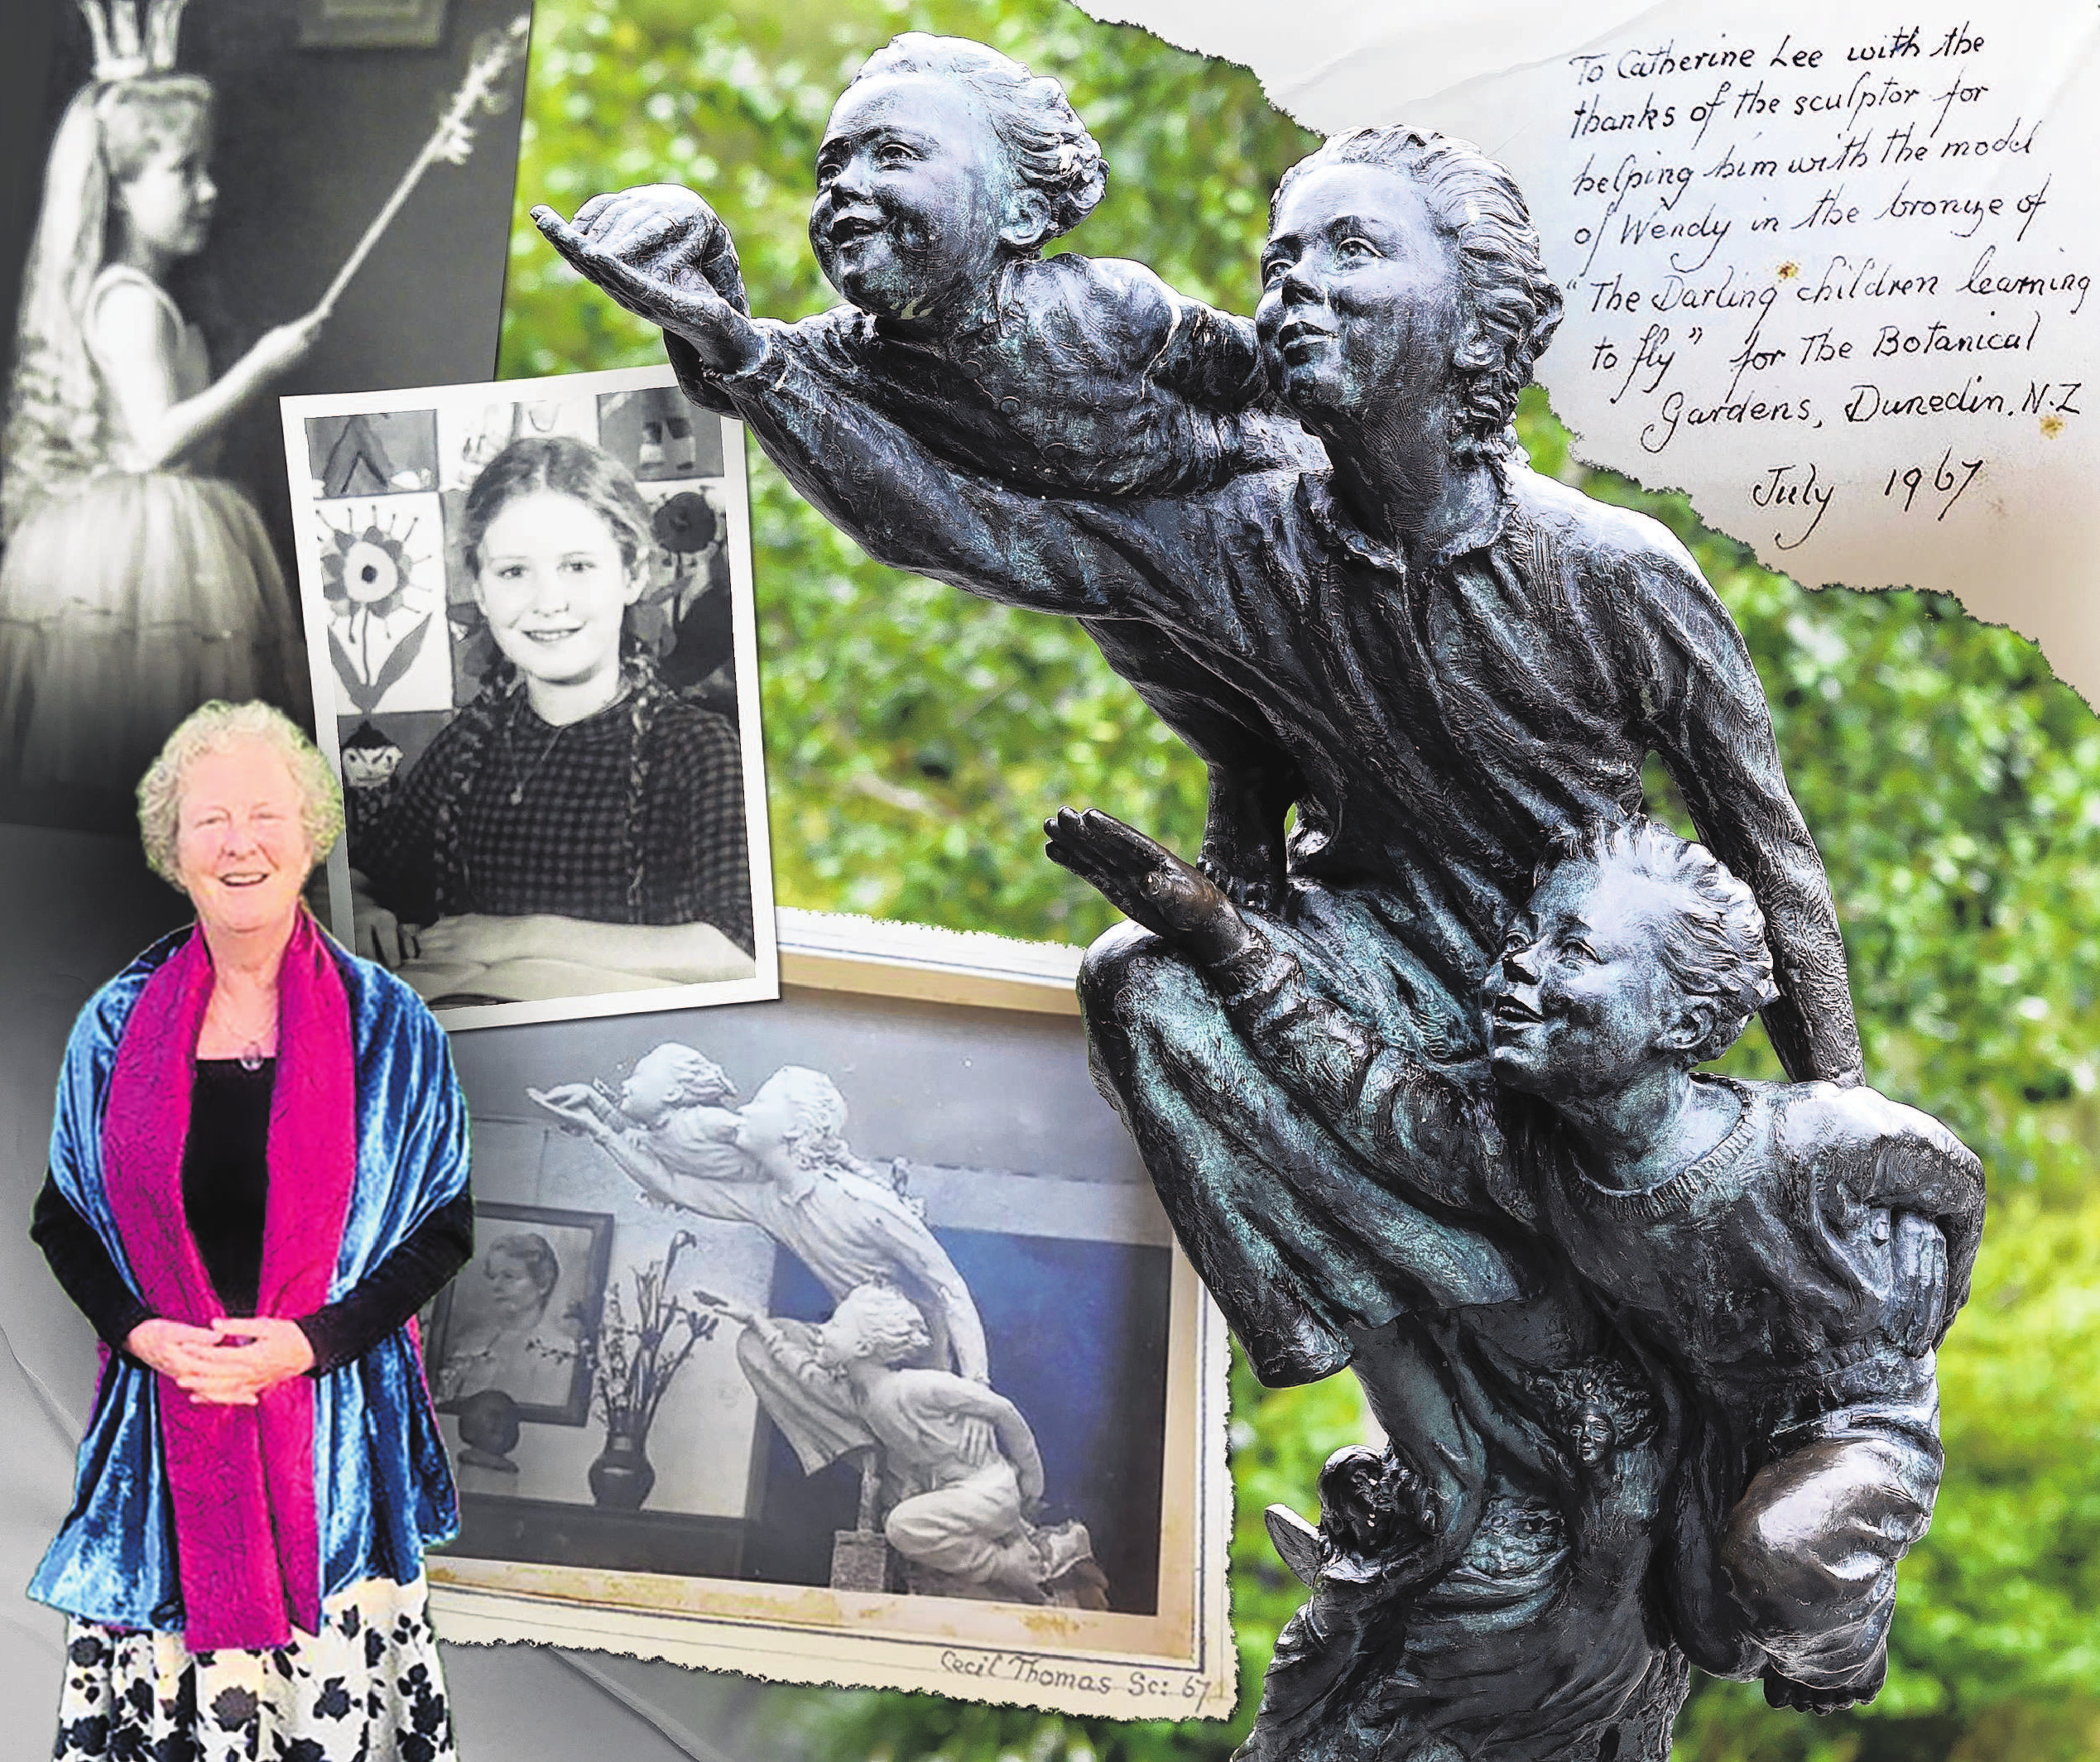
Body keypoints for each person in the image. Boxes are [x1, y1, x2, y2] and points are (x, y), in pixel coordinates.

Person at [536, 119, 1862, 1369]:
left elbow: (1767, 850)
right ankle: (1452, 1360)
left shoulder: (1611, 570)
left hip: (1575, 988)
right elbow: (963, 528)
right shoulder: (1241, 536)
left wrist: (1836, 1118)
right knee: (1141, 983)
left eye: (1355, 250)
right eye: (1280, 259)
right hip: (1370, 952)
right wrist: (741, 351)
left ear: (1476, 324)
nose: (1296, 285)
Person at [1045, 806, 1978, 1712]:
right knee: (1709, 1628)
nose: (1516, 971)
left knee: (1779, 1571)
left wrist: (1913, 1316)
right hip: (1705, 1414)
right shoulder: (1526, 1157)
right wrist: (1218, 935)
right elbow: (1366, 1089)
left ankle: (1847, 1649)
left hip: (1852, 1420)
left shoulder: (1813, 1141)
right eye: (1523, 940)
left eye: (1572, 952)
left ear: (1684, 1023)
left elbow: (1954, 1184)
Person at [27, 699, 474, 1761]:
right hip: (163, 1435)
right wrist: (144, 1332)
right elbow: (64, 1218)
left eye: (264, 814)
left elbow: (442, 1227)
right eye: (209, 819)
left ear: (312, 834)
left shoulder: (391, 1026)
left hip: (330, 1440)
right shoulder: (115, 1020)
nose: (239, 843)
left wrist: (309, 1344)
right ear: (171, 848)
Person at [0, 13, 320, 805]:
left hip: (170, 536)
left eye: (205, 168)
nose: (208, 190)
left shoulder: (152, 300)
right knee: (135, 734)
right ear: (119, 192)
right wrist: (263, 366)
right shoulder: (129, 305)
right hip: (136, 550)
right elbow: (151, 446)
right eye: (184, 171)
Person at [350, 434, 757, 999]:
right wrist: (361, 912)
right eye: (514, 572)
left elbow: (741, 950)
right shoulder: (472, 740)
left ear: (632, 573)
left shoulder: (696, 747)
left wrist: (523, 936)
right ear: (480, 590)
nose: (548, 601)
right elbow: (360, 873)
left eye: (577, 566)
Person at [531, 1054, 989, 1478]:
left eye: (761, 1102)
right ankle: (871, 1454)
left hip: (920, 1361)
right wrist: (602, 1124)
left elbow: (950, 1290)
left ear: (793, 1130)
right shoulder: (772, 1201)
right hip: (858, 1355)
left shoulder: (863, 1203)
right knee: (758, 1346)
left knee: (954, 1479)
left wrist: (977, 1392)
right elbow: (671, 1183)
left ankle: (896, 1458)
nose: (744, 1110)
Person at [708, 1283, 1100, 1606]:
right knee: (908, 1526)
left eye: (835, 1326)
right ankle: (1018, 1573)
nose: (822, 1333)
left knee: (902, 1526)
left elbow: (1004, 1411)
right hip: (962, 1498)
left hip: (988, 1492)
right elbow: (803, 1370)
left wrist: (1032, 1484)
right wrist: (757, 1322)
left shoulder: (916, 1387)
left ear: (864, 1346)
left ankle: (1007, 1566)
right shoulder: (857, 1396)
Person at [436, 1231, 579, 1412]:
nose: (496, 1286)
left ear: (543, 1283)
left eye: (509, 1277)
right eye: (492, 1277)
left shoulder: (560, 1350)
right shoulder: (469, 1344)